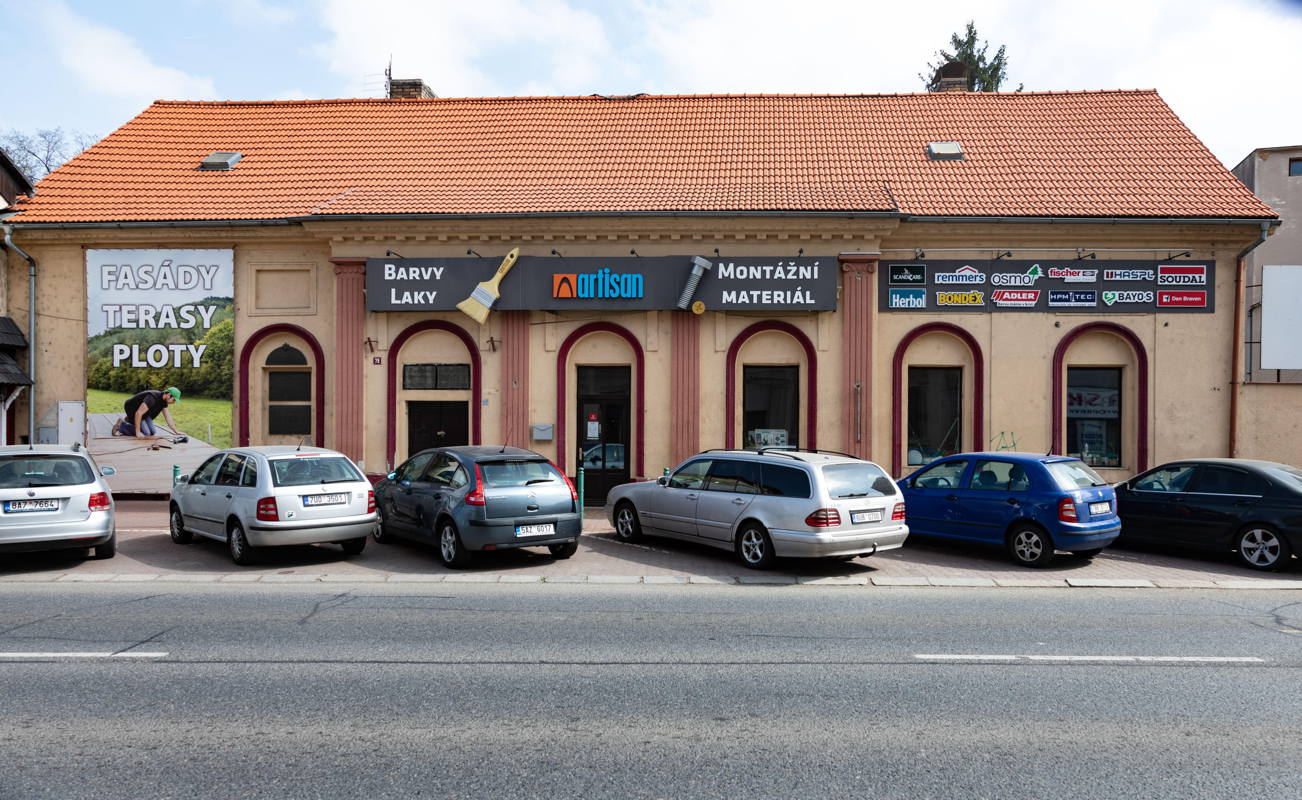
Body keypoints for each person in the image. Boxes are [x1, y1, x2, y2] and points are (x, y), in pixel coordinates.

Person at [115, 387, 184, 440]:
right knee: (146, 433)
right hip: (132, 408)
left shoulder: (164, 402)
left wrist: (176, 431)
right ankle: (122, 425)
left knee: (152, 432)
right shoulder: (152, 398)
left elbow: (168, 417)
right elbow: (138, 413)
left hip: (144, 412)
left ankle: (129, 420)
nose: (174, 402)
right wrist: (137, 432)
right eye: (174, 399)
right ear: (168, 395)